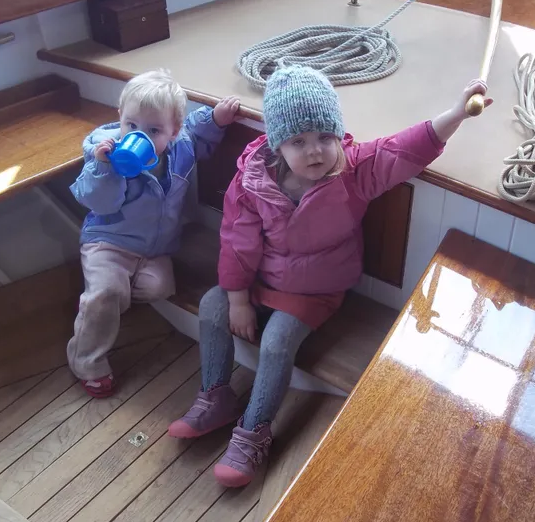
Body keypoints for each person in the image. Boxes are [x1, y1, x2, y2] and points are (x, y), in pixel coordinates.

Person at [168, 64, 492, 487]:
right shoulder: (252, 180)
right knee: (213, 306)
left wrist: (456, 114)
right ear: (277, 143)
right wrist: (237, 298)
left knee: (277, 339)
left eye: (325, 136)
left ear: (339, 135)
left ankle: (253, 431)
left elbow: (404, 150)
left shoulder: (354, 171)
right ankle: (216, 395)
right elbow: (236, 240)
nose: (316, 151)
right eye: (299, 141)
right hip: (262, 280)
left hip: (314, 291)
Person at [68, 69, 240, 398]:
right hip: (109, 241)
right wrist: (105, 168)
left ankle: (113, 300)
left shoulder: (181, 147)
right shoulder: (104, 157)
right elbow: (98, 202)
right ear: (120, 118)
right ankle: (86, 361)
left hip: (155, 248)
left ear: (173, 132)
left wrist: (216, 118)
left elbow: (198, 135)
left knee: (161, 287)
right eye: (131, 126)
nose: (139, 136)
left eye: (153, 130)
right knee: (104, 292)